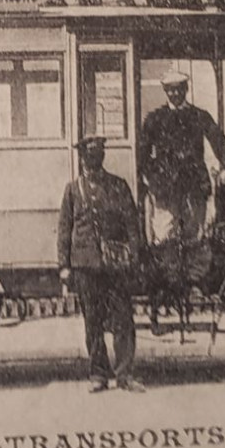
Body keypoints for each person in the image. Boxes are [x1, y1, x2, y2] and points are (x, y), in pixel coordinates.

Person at [58, 136, 145, 393]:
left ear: (101, 159)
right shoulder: (73, 190)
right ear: (82, 161)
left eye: (95, 160)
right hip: (85, 265)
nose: (91, 165)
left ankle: (125, 375)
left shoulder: (118, 186)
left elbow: (132, 223)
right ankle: (98, 374)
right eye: (87, 160)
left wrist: (134, 256)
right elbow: (65, 228)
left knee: (123, 320)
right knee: (92, 321)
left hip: (115, 265)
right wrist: (64, 264)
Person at [137, 69, 225, 297]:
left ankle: (194, 282)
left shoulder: (200, 116)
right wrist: (150, 177)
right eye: (170, 90)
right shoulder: (154, 119)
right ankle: (169, 283)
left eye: (179, 89)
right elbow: (142, 153)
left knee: (195, 234)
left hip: (194, 186)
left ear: (186, 89)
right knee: (164, 234)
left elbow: (220, 142)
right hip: (165, 188)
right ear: (165, 92)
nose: (175, 93)